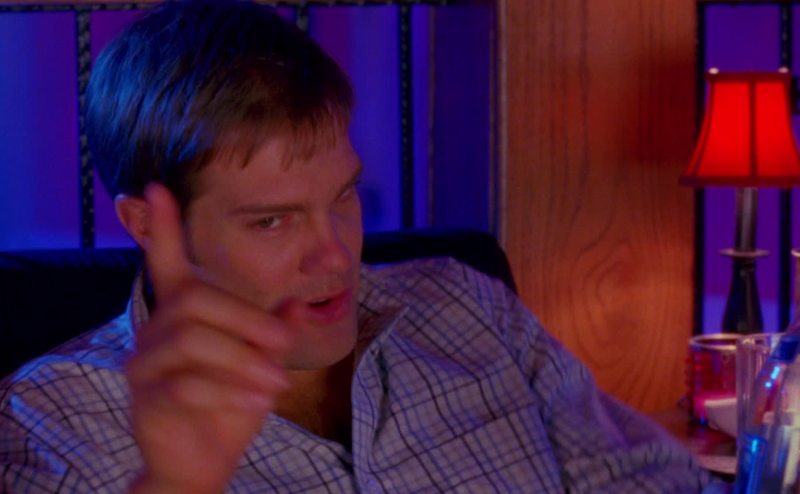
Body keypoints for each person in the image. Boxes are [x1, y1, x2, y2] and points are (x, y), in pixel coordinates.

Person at [0, 1, 718, 492]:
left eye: (344, 196)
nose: (337, 256)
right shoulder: (57, 417)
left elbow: (643, 478)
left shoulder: (461, 302)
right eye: (272, 221)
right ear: (148, 225)